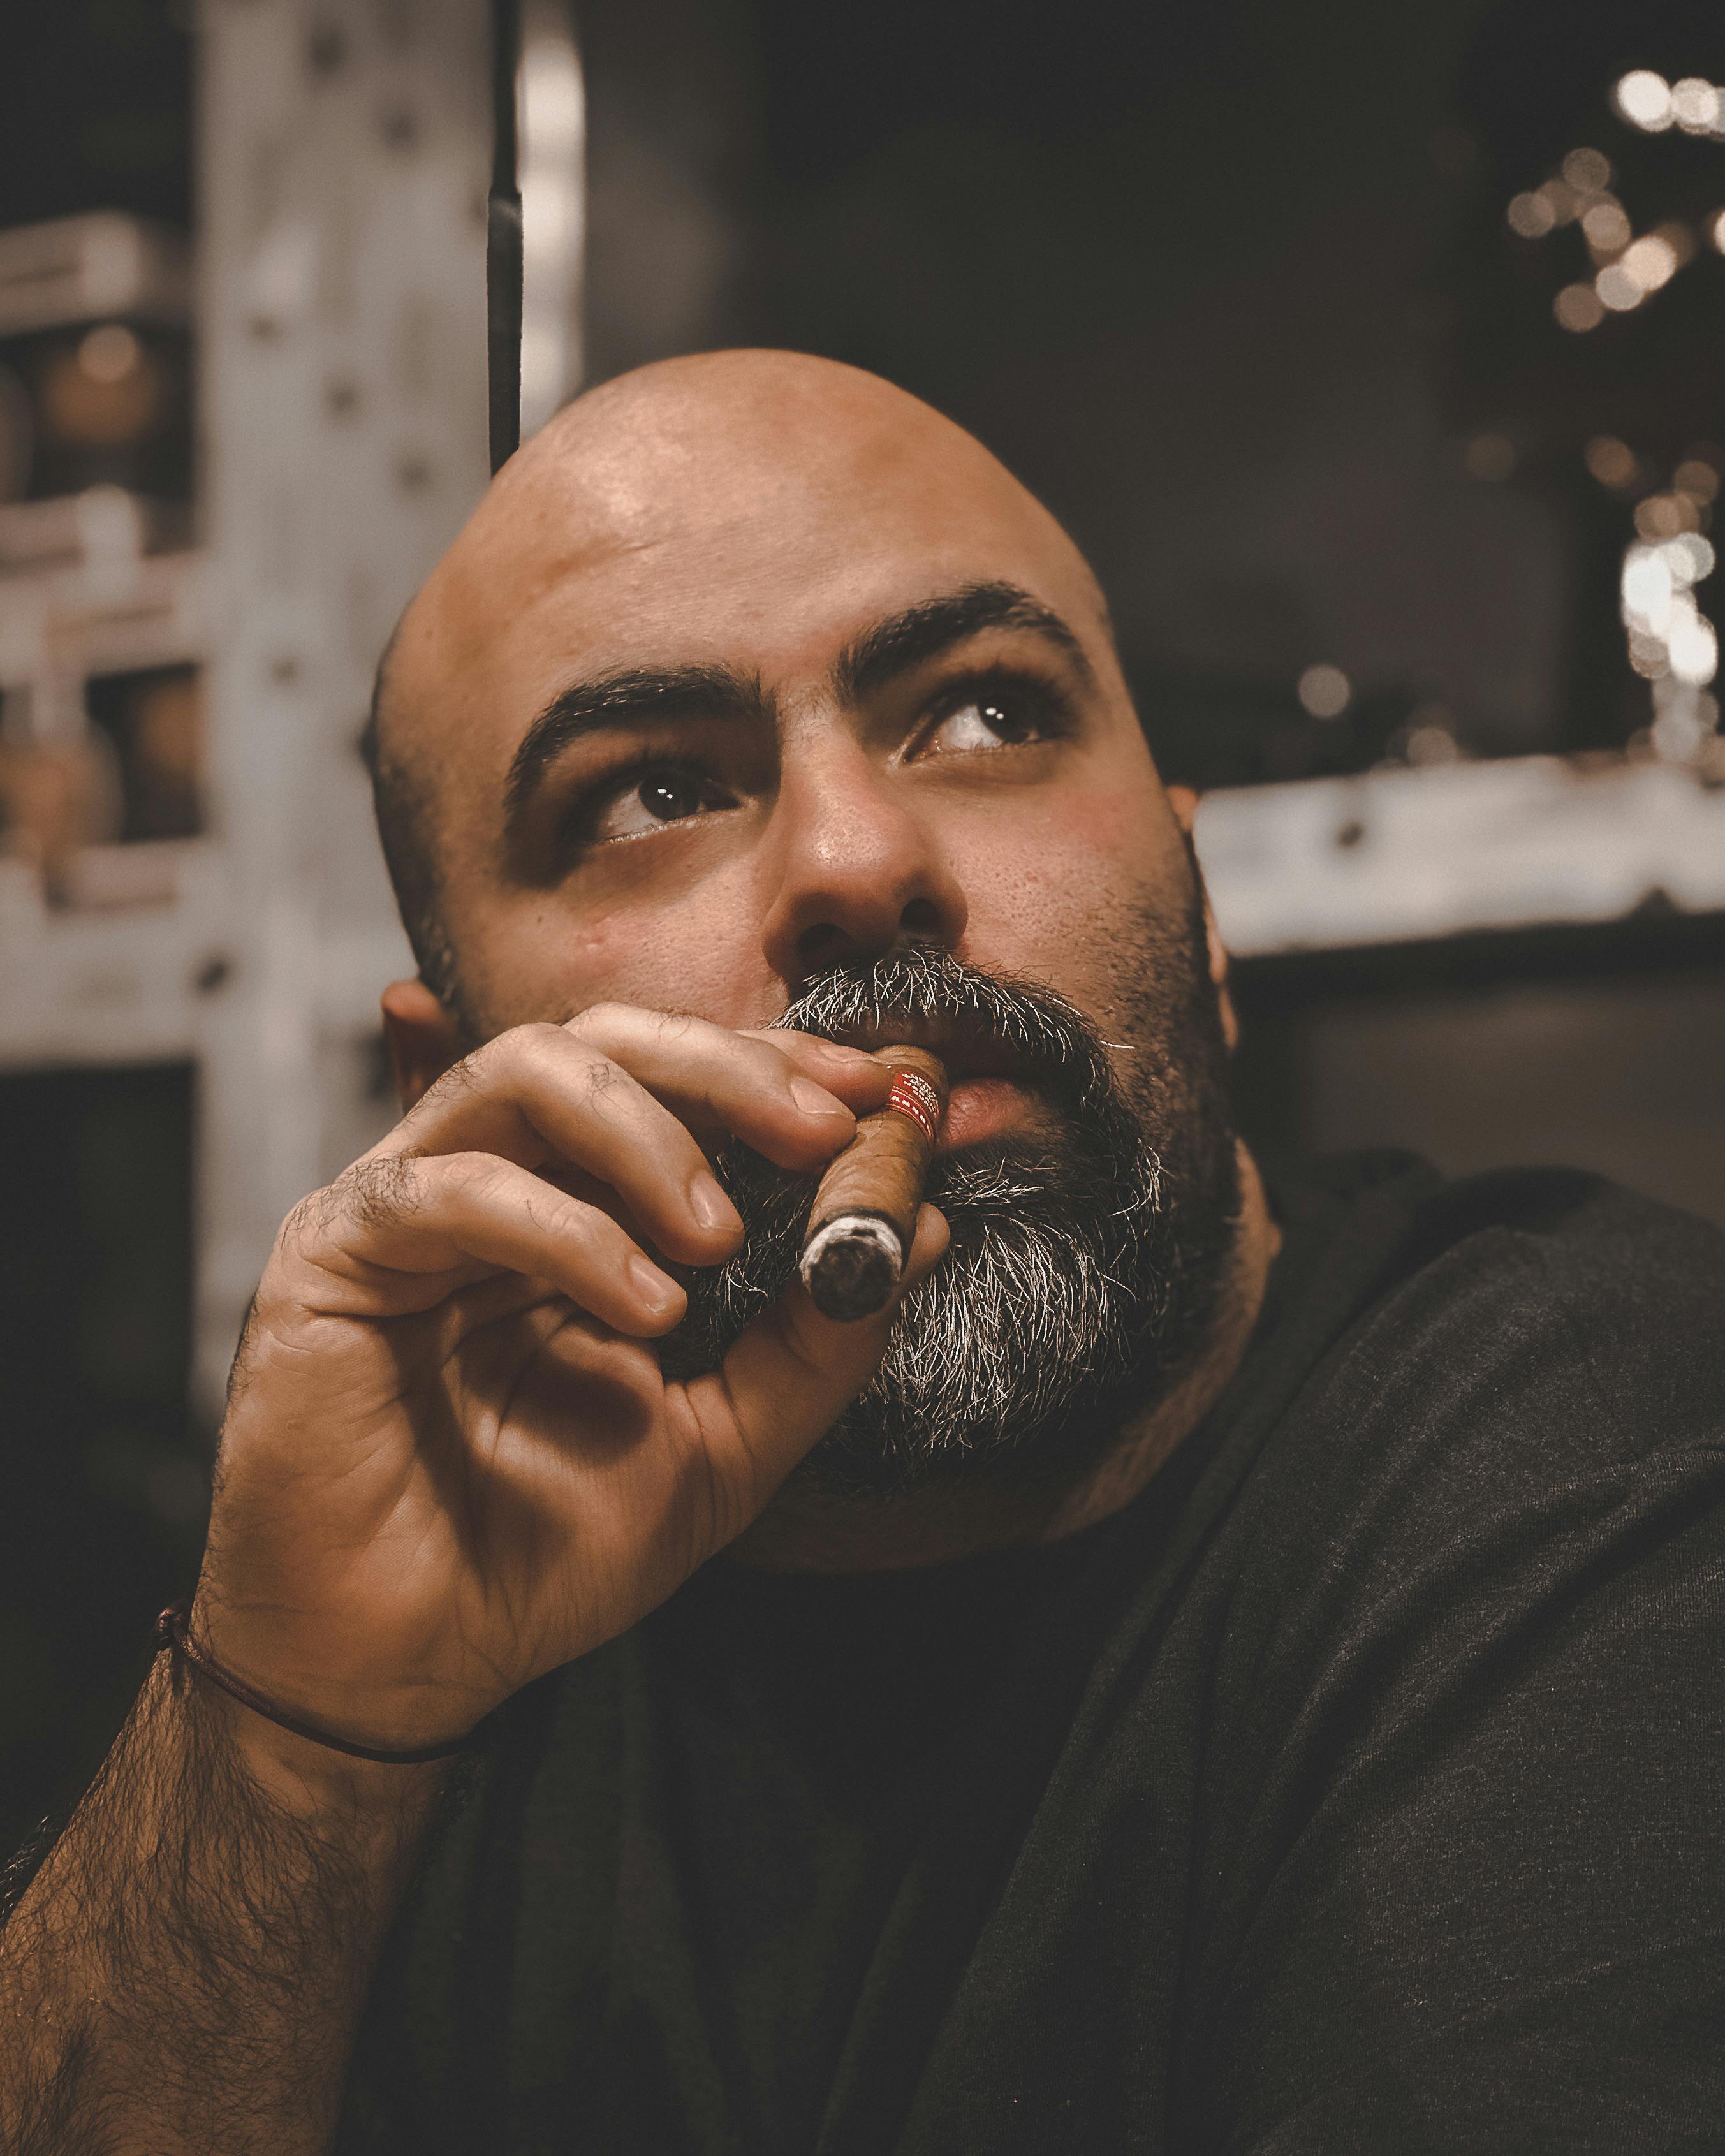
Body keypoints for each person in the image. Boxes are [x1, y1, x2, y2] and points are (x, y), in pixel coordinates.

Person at [2, 351, 1722, 2156]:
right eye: (651, 793)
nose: (853, 860)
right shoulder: (394, 1624)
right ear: (450, 1078)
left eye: (983, 712)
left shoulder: (1604, 1472)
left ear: (1203, 912)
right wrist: (290, 1738)